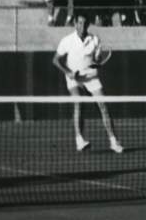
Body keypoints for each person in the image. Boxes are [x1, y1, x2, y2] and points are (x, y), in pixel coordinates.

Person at [52, 13, 124, 154]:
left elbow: (96, 62)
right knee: (79, 103)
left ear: (88, 24)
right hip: (73, 78)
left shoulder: (95, 40)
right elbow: (55, 60)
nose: (82, 26)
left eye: (84, 23)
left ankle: (114, 142)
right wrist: (68, 72)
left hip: (91, 77)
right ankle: (80, 140)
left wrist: (97, 62)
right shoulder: (67, 40)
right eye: (79, 23)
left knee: (104, 106)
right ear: (75, 23)